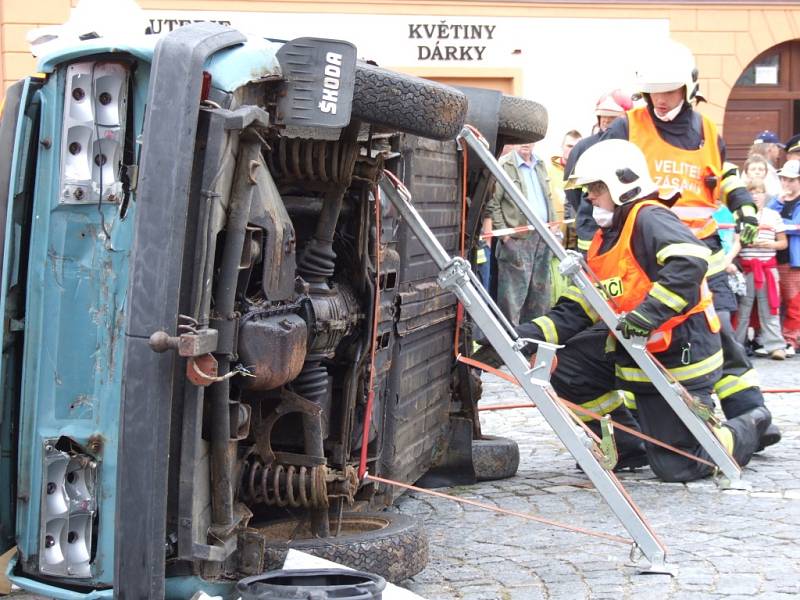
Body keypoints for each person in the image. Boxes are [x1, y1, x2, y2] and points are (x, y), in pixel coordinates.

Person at [512, 140, 770, 482]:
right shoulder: (607, 237)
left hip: (677, 353)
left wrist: (648, 314)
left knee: (680, 465)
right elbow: (582, 306)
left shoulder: (648, 217)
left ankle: (748, 425)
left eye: (596, 187)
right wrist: (522, 336)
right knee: (566, 363)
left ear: (622, 183)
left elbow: (690, 260)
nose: (589, 197)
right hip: (634, 350)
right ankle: (625, 444)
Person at [577, 39, 779, 451]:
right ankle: (661, 428)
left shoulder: (706, 129)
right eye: (654, 92)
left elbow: (722, 176)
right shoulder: (628, 127)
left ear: (688, 89)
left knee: (719, 338)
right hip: (648, 255)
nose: (662, 100)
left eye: (670, 91)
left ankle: (749, 417)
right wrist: (592, 247)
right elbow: (593, 181)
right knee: (663, 339)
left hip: (703, 255)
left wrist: (742, 206)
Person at [485, 142, 557, 325]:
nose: (527, 144)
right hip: (517, 240)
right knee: (512, 298)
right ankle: (510, 342)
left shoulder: (540, 163)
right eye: (523, 139)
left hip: (542, 238)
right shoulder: (504, 165)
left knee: (540, 295)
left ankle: (534, 341)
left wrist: (553, 225)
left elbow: (548, 197)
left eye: (531, 140)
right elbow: (492, 203)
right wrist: (505, 236)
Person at [565, 89, 633, 253]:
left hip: (625, 230)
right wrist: (589, 204)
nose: (607, 121)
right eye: (604, 116)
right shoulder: (583, 147)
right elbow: (571, 189)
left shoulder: (632, 147)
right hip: (591, 232)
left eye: (613, 117)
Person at [732, 179, 788, 360]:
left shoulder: (773, 216)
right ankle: (736, 346)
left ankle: (776, 346)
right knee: (743, 309)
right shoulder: (738, 215)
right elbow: (735, 241)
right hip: (747, 270)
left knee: (771, 308)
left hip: (768, 270)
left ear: (765, 194)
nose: (755, 196)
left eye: (758, 192)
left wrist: (769, 243)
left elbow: (783, 243)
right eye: (751, 192)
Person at [768, 159, 800, 353]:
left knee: (793, 301)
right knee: (776, 300)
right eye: (784, 179)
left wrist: (779, 225)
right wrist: (778, 201)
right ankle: (781, 338)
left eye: (791, 180)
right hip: (775, 257)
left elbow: (796, 227)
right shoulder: (777, 199)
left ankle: (791, 340)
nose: (786, 184)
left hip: (794, 260)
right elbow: (766, 216)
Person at [749, 130, 784, 198]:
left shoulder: (749, 167)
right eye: (778, 147)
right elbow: (774, 195)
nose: (779, 151)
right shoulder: (762, 169)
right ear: (770, 149)